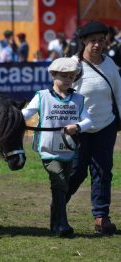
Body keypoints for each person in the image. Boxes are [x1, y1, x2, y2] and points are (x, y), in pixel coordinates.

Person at [22, 57, 92, 236]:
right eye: (64, 76)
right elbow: (25, 114)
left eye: (71, 77)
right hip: (47, 150)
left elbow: (88, 121)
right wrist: (9, 116)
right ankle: (63, 226)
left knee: (62, 186)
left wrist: (77, 127)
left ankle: (55, 224)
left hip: (69, 149)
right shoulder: (41, 96)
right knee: (59, 182)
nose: (68, 80)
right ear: (53, 75)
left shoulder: (78, 99)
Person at [68, 20, 121, 235]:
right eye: (92, 41)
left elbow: (118, 94)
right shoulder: (73, 64)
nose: (98, 45)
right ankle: (59, 209)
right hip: (79, 129)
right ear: (83, 41)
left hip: (105, 126)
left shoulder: (110, 65)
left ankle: (101, 217)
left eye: (101, 40)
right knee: (77, 171)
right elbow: (60, 92)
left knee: (102, 172)